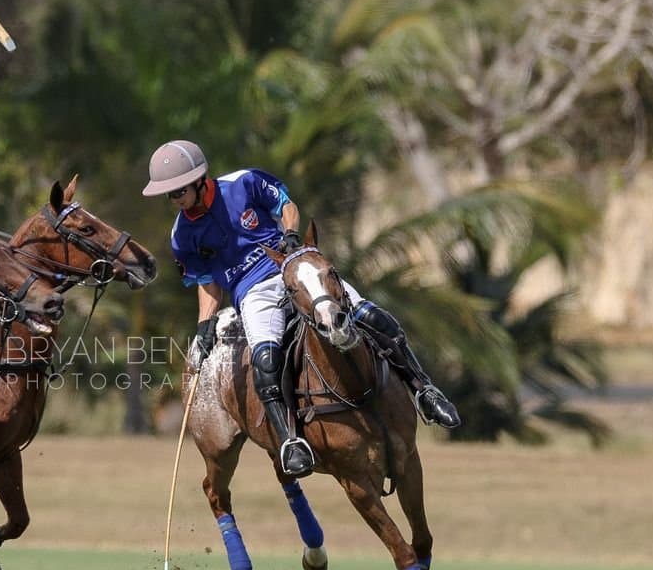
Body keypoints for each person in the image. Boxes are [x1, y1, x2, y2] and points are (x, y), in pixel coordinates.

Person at [143, 139, 460, 477]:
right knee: (265, 360)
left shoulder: (243, 183)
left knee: (370, 316)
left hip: (291, 267)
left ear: (198, 179)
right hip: (252, 293)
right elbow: (207, 281)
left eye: (178, 191)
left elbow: (285, 206)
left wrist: (290, 235)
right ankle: (289, 441)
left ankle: (424, 390)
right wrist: (205, 325)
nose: (174, 199)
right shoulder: (182, 235)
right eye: (169, 194)